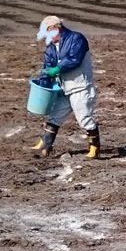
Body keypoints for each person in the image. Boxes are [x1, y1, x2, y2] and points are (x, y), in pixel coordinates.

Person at [31, 16, 100, 158]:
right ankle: (44, 145)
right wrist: (43, 86)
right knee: (55, 116)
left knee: (84, 118)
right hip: (64, 88)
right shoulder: (51, 47)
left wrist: (57, 69)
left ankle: (94, 148)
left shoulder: (76, 38)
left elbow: (74, 59)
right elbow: (47, 67)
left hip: (80, 87)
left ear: (56, 29)